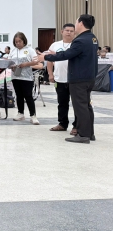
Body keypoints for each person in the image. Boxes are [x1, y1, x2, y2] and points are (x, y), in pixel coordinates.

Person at [44, 15, 98, 143]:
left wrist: (46, 57)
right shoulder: (92, 38)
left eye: (76, 22)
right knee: (86, 106)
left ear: (81, 23)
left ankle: (83, 135)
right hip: (89, 77)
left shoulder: (80, 40)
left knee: (81, 107)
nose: (75, 24)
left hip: (79, 79)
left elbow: (67, 54)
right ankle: (89, 133)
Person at [47, 24, 77, 133]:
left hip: (74, 80)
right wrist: (50, 74)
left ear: (75, 33)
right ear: (62, 32)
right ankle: (62, 124)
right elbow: (49, 60)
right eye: (67, 30)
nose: (69, 32)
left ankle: (76, 126)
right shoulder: (55, 45)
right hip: (60, 79)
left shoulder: (76, 44)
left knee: (77, 104)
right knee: (62, 103)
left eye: (71, 31)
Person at [6, 32, 39, 125]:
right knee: (19, 95)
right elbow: (8, 62)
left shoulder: (30, 50)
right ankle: (20, 113)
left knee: (28, 96)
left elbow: (36, 61)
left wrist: (25, 64)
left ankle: (33, 115)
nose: (18, 43)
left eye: (19, 41)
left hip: (27, 77)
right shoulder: (13, 51)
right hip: (15, 76)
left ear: (24, 41)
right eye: (16, 42)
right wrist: (11, 66)